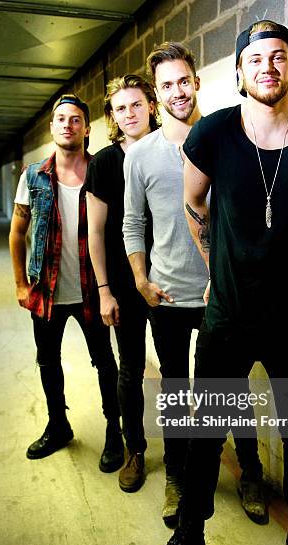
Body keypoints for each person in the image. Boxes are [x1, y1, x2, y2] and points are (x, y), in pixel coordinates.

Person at [130, 21, 288, 545]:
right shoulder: (212, 134)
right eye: (255, 58)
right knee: (207, 431)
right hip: (229, 316)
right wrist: (215, 270)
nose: (267, 67)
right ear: (238, 72)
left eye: (278, 57)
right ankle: (189, 539)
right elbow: (192, 199)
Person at [123, 42, 266, 528]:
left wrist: (231, 275)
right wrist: (141, 279)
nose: (177, 91)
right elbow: (132, 223)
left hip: (223, 292)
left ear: (197, 81)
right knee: (176, 388)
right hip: (166, 295)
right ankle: (177, 477)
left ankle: (250, 472)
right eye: (166, 85)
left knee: (231, 388)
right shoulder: (140, 155)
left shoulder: (229, 136)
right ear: (157, 93)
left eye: (184, 80)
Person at [9, 94, 123, 470]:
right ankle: (58, 426)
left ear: (87, 129)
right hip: (47, 289)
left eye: (76, 119)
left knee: (105, 363)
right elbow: (17, 231)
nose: (68, 124)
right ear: (52, 127)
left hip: (93, 288)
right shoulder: (33, 176)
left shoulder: (102, 169)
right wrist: (21, 284)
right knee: (47, 362)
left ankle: (113, 431)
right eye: (61, 119)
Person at [86, 74, 160, 492]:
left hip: (168, 281)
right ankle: (135, 449)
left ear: (151, 105)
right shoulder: (105, 163)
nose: (129, 113)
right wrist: (105, 291)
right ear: (112, 117)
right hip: (123, 282)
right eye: (120, 108)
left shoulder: (173, 150)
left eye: (136, 104)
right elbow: (95, 233)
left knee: (177, 370)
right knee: (130, 370)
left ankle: (187, 455)